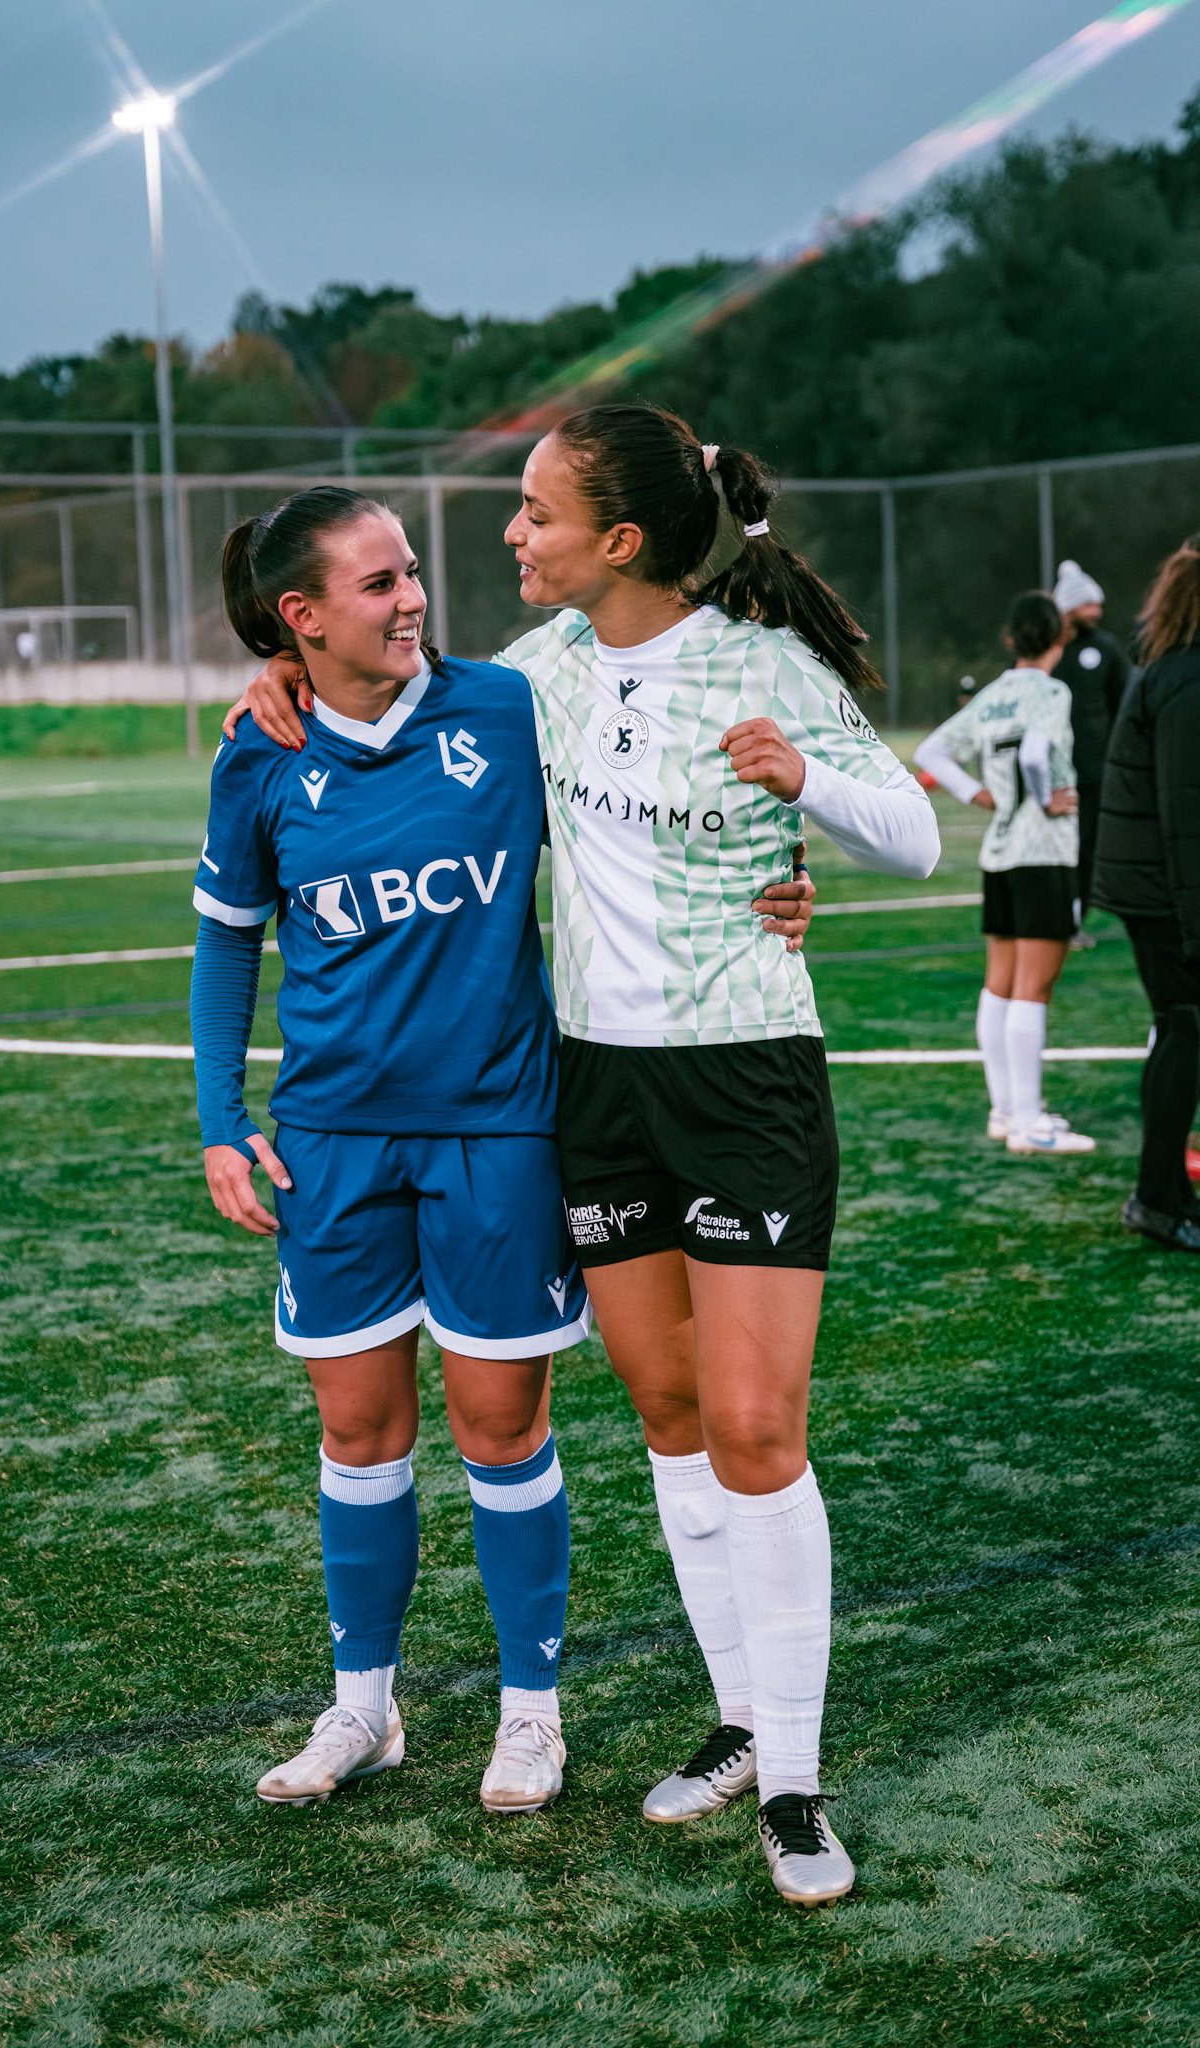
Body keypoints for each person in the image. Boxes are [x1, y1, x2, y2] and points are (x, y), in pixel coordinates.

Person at [228, 403, 941, 1906]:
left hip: (744, 1076)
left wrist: (804, 795)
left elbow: (918, 836)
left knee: (756, 1427)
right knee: (672, 1418)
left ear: (619, 539)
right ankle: (740, 1722)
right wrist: (278, 676)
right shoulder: (528, 682)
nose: (507, 536)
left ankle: (798, 1785)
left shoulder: (762, 666)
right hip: (593, 1091)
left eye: (535, 512)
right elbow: (393, 696)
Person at [193, 485, 594, 1818]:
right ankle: (363, 1708)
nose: (413, 596)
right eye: (378, 583)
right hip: (332, 1141)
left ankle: (530, 1713)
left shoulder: (504, 705)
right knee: (358, 1427)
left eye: (410, 570)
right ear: (299, 616)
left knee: (499, 1424)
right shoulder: (258, 753)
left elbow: (641, 783)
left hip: (497, 1130)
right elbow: (225, 938)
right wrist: (218, 1121)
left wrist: (773, 871)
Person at [915, 593, 1093, 1157]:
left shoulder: (991, 697)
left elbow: (932, 750)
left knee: (1000, 983)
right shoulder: (1052, 691)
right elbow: (1038, 752)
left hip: (1001, 853)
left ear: (1012, 638)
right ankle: (1028, 1122)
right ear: (1059, 636)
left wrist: (979, 794)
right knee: (1033, 988)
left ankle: (1004, 1111)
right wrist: (1045, 800)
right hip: (1042, 852)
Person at [1092, 534, 1200, 1251]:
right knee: (1184, 1028)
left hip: (1155, 888)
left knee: (1182, 1029)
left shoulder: (1171, 667)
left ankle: (1163, 1191)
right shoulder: (1185, 679)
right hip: (1165, 894)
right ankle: (1156, 1198)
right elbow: (1185, 811)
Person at [1052, 560, 1129, 945]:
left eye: (1097, 606)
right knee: (1053, 847)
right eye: (1087, 606)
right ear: (1067, 609)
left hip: (1095, 772)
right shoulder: (1046, 646)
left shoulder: (1106, 648)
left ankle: (1074, 920)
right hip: (1051, 774)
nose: (1095, 613)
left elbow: (1125, 706)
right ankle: (1050, 918)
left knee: (1087, 846)